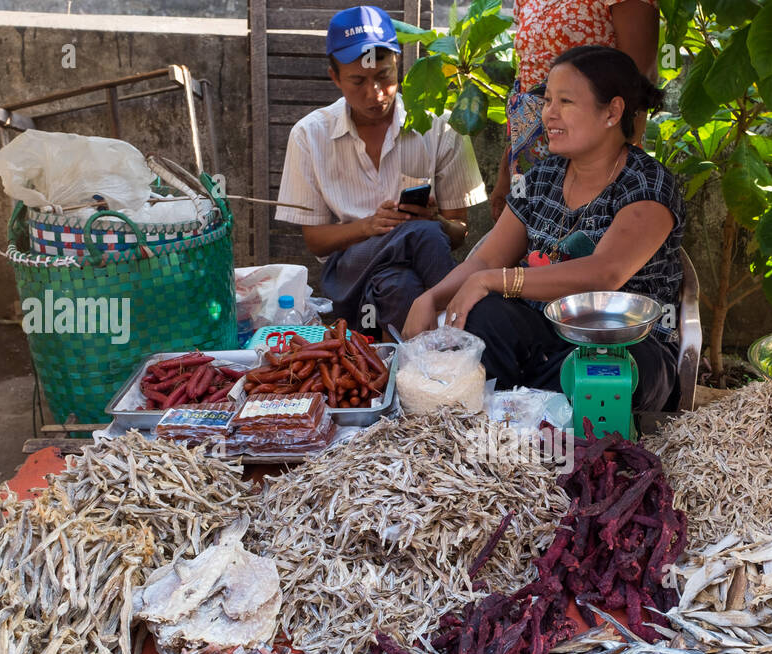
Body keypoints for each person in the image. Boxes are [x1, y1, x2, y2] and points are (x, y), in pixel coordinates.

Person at [404, 46, 683, 412]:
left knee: (599, 374)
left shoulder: (646, 181)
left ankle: (528, 411)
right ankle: (505, 423)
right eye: (548, 100)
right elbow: (487, 256)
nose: (548, 113)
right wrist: (430, 298)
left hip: (624, 346)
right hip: (544, 333)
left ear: (612, 112)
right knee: (484, 314)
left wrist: (495, 280)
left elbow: (605, 273)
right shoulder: (541, 177)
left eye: (565, 101)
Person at [276, 6, 487, 335]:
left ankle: (415, 367)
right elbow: (316, 242)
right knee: (422, 234)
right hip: (347, 278)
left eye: (383, 76)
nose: (374, 93)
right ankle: (465, 336)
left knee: (398, 283)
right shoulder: (309, 135)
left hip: (399, 284)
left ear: (398, 63)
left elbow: (459, 233)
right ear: (335, 77)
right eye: (358, 81)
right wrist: (369, 226)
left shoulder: (442, 127)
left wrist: (438, 221)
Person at [490, 0, 660, 222]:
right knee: (530, 243)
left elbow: (637, 77)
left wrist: (615, 170)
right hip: (531, 154)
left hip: (595, 156)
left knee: (587, 234)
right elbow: (524, 87)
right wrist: (508, 168)